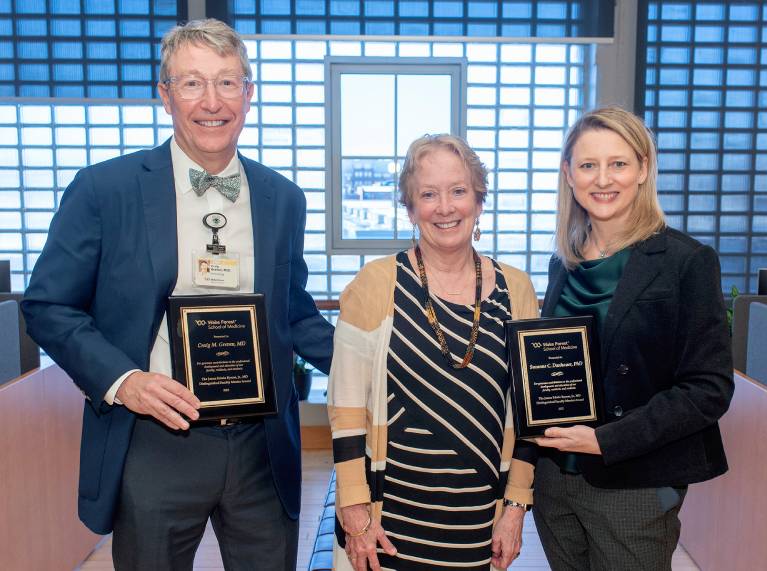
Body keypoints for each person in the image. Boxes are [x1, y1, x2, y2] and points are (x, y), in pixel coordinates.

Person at [21, 18, 333, 571]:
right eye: (191, 83)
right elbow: (48, 305)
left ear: (249, 93)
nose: (211, 101)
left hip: (261, 446)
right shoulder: (104, 189)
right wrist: (125, 382)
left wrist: (381, 359)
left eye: (227, 82)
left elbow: (293, 312)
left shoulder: (283, 197)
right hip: (154, 439)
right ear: (164, 95)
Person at [531, 106, 734, 570]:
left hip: (635, 482)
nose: (603, 179)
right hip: (557, 480)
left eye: (618, 163)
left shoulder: (686, 261)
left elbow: (708, 389)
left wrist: (607, 441)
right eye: (588, 165)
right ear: (568, 174)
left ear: (643, 168)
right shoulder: (563, 263)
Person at [327, 134, 539, 571]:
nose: (445, 207)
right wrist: (354, 510)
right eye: (428, 194)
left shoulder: (517, 290)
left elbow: (528, 413)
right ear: (410, 208)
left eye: (459, 191)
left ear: (479, 202)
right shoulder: (374, 284)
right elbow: (344, 408)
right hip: (389, 524)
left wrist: (516, 507)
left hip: (480, 521)